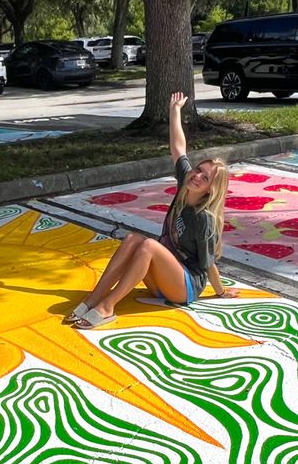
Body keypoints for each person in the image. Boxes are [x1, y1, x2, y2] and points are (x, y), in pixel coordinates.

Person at [67, 91, 239, 329]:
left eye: (205, 177)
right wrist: (175, 111)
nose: (197, 176)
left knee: (148, 245)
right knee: (132, 239)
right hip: (162, 280)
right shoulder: (185, 184)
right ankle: (94, 299)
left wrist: (220, 292)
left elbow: (208, 264)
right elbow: (179, 148)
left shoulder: (204, 219)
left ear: (210, 190)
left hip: (184, 287)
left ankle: (107, 307)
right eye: (198, 169)